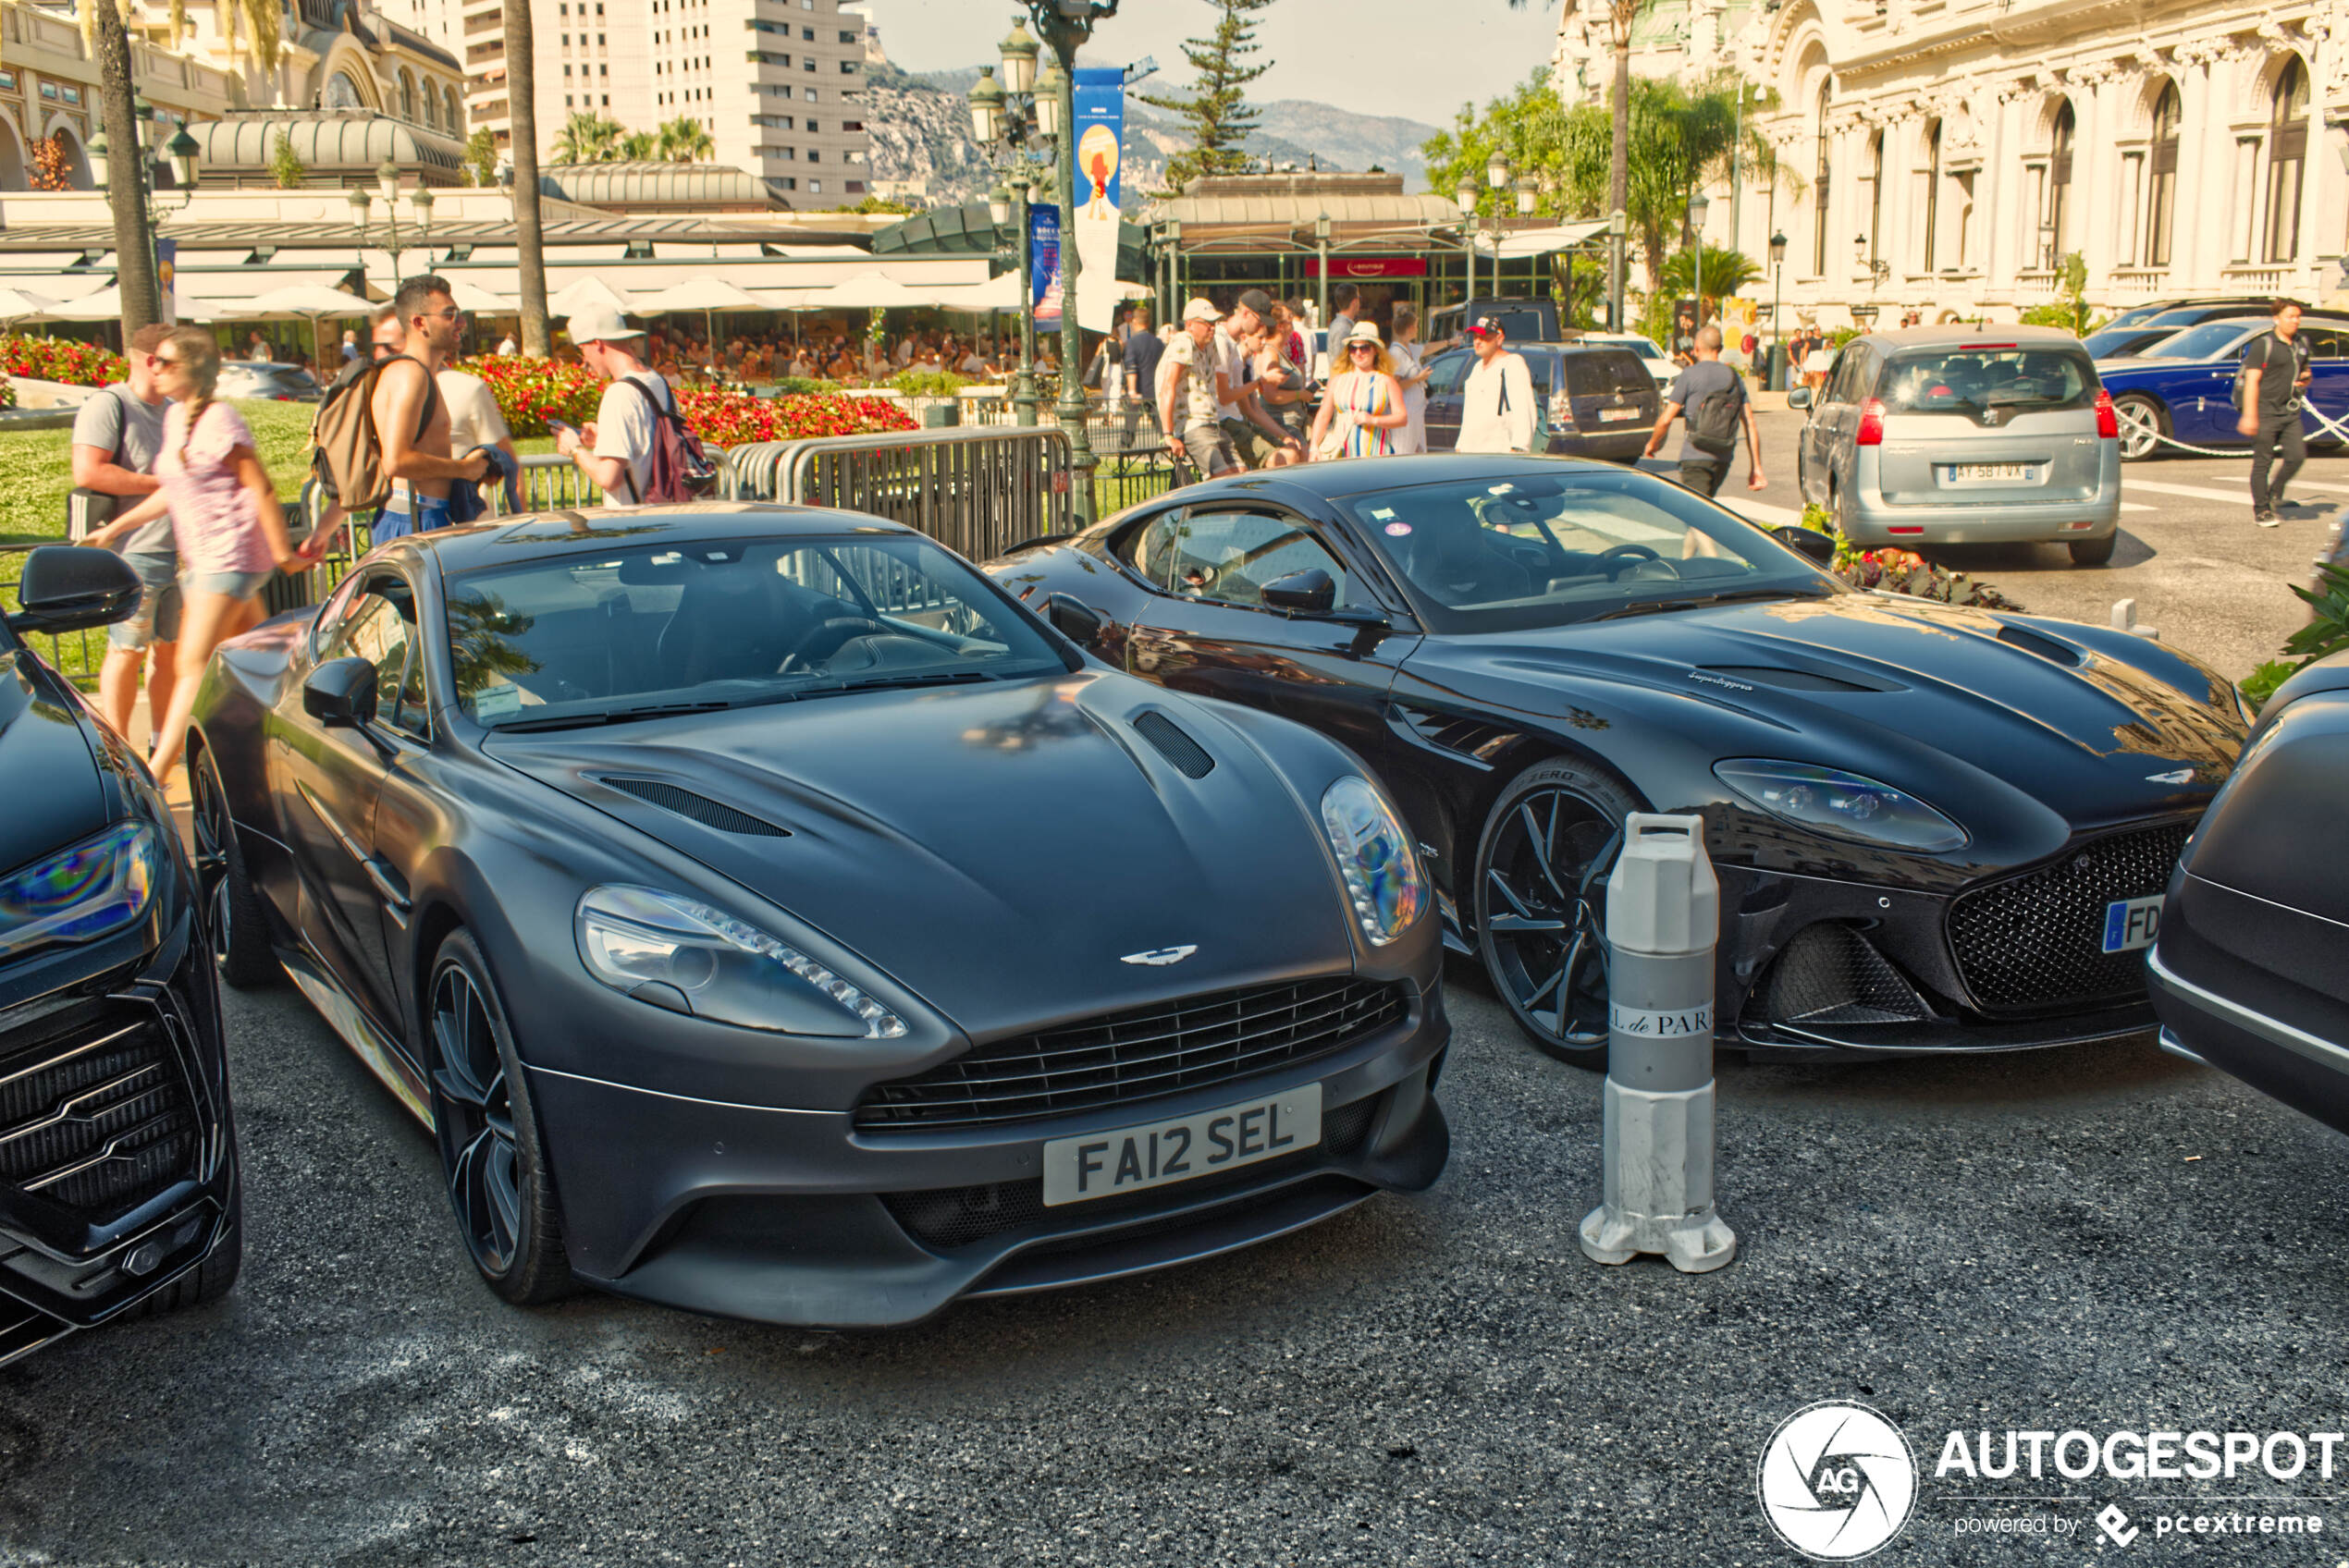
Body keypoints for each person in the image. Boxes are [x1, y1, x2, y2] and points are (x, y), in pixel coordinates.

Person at [79, 326, 300, 785]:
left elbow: (259, 485)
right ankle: (276, 749)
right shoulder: (178, 418)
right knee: (266, 659)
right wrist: (114, 529)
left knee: (190, 667)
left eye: (163, 361)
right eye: (152, 361)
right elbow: (173, 492)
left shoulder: (220, 420)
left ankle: (154, 777)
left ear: (190, 369)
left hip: (230, 559)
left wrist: (285, 555)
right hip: (204, 563)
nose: (152, 368)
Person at [74, 324, 176, 743]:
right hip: (133, 551)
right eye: (177, 361)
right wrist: (164, 482)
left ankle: (156, 742)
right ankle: (118, 749)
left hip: (177, 550)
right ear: (152, 362)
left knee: (167, 652)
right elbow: (89, 470)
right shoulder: (109, 405)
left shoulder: (174, 410)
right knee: (127, 650)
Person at [371, 274, 491, 539]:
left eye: (458, 313)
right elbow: (396, 460)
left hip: (422, 515)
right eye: (449, 315)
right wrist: (464, 469)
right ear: (419, 322)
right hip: (414, 519)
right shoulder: (409, 375)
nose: (460, 322)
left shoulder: (420, 374)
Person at [560, 302, 677, 507]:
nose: (584, 360)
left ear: (597, 344)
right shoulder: (657, 381)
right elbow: (646, 445)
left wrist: (575, 449)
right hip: (667, 513)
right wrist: (603, 439)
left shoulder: (618, 394)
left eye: (582, 350)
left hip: (633, 523)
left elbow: (609, 478)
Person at [1642, 324, 1767, 499]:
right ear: (1720, 348)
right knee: (1705, 509)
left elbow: (1666, 418)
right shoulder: (1734, 377)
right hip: (1722, 458)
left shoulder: (1689, 375)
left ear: (1696, 348)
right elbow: (1750, 423)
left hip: (1695, 457)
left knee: (1695, 517)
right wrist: (1756, 467)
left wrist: (1653, 443)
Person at [2238, 297, 2312, 528]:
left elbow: (2305, 370)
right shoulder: (2264, 345)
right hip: (2265, 411)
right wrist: (2250, 415)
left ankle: (2275, 491)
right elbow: (2252, 381)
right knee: (2263, 462)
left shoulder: (2301, 343)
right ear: (2276, 318)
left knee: (2297, 456)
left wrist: (2304, 380)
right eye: (2290, 316)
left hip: (2290, 411)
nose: (2295, 321)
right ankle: (2262, 510)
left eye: (2298, 316)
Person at [1217, 289, 1306, 467]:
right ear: (1246, 313)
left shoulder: (1235, 346)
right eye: (1260, 323)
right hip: (1222, 422)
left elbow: (1251, 409)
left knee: (1291, 453)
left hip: (1237, 419)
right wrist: (1262, 381)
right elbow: (1224, 397)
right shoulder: (1221, 340)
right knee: (1282, 460)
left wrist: (1284, 436)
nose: (1263, 338)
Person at [1162, 298, 1242, 480]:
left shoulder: (1210, 344)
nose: (1212, 328)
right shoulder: (1183, 342)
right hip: (1192, 425)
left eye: (1214, 323)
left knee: (1241, 475)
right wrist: (1168, 435)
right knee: (1223, 479)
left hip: (1212, 421)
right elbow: (1168, 386)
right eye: (1207, 323)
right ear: (1190, 325)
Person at [1309, 322, 1408, 459]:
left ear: (1376, 350)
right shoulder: (1337, 381)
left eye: (1365, 348)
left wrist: (1372, 420)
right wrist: (1314, 447)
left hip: (1376, 456)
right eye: (1353, 348)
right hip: (1341, 455)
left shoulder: (1386, 381)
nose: (1358, 353)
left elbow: (1402, 418)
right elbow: (1323, 416)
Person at [1455, 316, 1536, 454]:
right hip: (1470, 458)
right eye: (1475, 337)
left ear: (1499, 338)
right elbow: (1469, 416)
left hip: (1498, 459)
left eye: (1484, 337)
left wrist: (1518, 450)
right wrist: (1460, 446)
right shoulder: (1476, 368)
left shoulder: (1513, 365)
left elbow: (1523, 412)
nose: (1478, 341)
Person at [1386, 304, 1433, 455]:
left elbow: (1426, 349)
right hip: (1405, 413)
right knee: (1404, 453)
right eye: (1417, 326)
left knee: (1418, 453)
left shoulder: (1409, 349)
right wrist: (1418, 378)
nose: (1418, 329)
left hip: (1415, 413)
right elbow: (1394, 385)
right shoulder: (1396, 353)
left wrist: (1449, 342)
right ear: (1410, 328)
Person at [1122, 303, 1163, 432]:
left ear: (1134, 321)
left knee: (1130, 426)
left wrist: (1132, 391)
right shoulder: (1158, 343)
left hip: (1139, 391)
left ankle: (1125, 449)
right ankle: (1166, 446)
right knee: (1160, 425)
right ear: (1149, 322)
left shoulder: (1132, 343)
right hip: (1155, 390)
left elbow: (1131, 368)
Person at [1321, 284, 1364, 374]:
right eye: (1359, 297)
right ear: (1354, 302)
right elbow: (1340, 362)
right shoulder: (1342, 328)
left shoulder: (1343, 325)